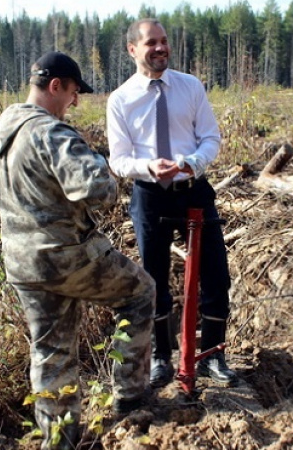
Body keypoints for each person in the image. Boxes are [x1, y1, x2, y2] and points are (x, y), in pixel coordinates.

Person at [0, 51, 155, 449]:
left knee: (50, 351)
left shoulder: (3, 127)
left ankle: (59, 440)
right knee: (140, 292)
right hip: (66, 257)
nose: (75, 102)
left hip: (23, 262)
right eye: (74, 92)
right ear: (55, 86)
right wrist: (99, 161)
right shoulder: (51, 132)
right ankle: (130, 397)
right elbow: (99, 192)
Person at [106, 18, 239, 389]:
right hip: (150, 196)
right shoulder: (120, 100)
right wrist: (148, 166)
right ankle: (161, 358)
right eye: (152, 43)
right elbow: (118, 160)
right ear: (133, 50)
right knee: (154, 279)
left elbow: (211, 137)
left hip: (194, 190)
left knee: (216, 274)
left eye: (164, 42)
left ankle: (213, 355)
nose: (161, 48)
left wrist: (194, 161)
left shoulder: (190, 87)